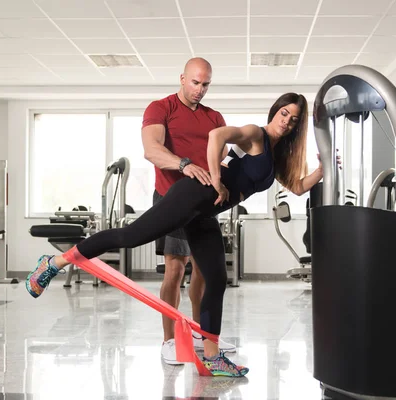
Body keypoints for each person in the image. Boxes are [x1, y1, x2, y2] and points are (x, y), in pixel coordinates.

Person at [26, 91, 325, 377]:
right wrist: (218, 181)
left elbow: (297, 187)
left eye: (294, 119)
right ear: (275, 111)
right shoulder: (255, 133)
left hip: (205, 213)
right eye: (284, 113)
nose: (286, 120)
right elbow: (216, 136)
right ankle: (54, 263)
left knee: (216, 278)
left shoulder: (276, 157)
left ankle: (211, 357)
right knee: (128, 237)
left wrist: (325, 166)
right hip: (192, 195)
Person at [141, 57, 236, 366]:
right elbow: (152, 150)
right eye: (195, 83)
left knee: (205, 271)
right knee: (175, 268)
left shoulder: (215, 117)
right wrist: (184, 164)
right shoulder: (161, 108)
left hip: (203, 203)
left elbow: (222, 155)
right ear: (182, 78)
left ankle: (199, 332)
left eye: (206, 84)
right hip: (171, 198)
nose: (200, 90)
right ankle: (169, 340)